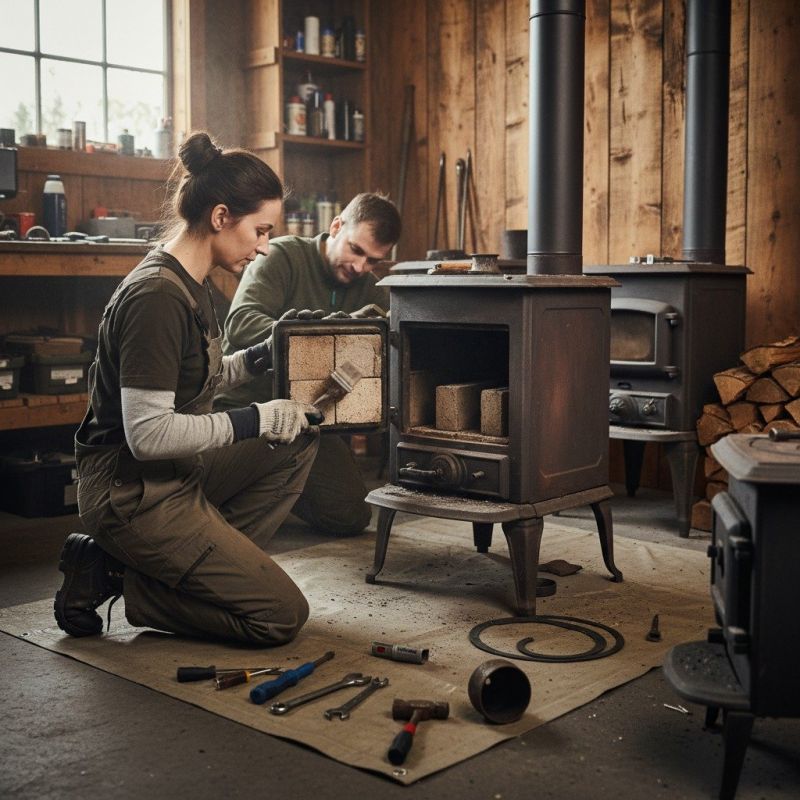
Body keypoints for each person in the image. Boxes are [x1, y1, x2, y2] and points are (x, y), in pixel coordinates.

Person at [54, 131, 321, 646]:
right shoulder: (157, 296)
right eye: (260, 230)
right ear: (221, 217)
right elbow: (149, 434)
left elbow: (197, 381)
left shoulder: (192, 281)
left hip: (176, 474)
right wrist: (256, 418)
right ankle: (117, 578)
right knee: (279, 616)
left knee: (300, 437)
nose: (265, 246)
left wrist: (267, 353)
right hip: (132, 491)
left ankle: (207, 570)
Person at [215, 192, 401, 537]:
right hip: (249, 408)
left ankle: (277, 486)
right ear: (336, 226)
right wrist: (321, 333)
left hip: (311, 422)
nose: (360, 267)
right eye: (356, 250)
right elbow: (240, 325)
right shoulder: (281, 256)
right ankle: (254, 484)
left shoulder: (370, 288)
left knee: (350, 516)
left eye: (373, 261)